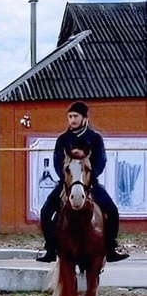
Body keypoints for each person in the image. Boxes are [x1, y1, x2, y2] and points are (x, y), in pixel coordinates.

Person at [36, 101, 129, 263]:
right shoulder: (63, 140)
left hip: (89, 183)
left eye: (75, 116)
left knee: (112, 211)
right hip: (67, 183)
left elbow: (101, 161)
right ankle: (50, 248)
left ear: (84, 118)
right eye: (70, 117)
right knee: (45, 211)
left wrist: (90, 178)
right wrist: (66, 180)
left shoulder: (95, 138)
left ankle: (111, 248)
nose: (72, 120)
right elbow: (57, 162)